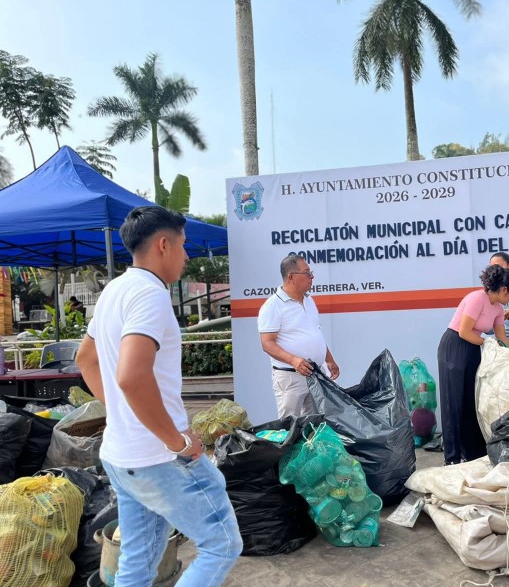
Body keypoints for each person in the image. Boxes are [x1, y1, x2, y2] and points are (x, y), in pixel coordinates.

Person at [76, 206, 242, 587]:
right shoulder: (150, 295)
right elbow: (132, 377)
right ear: (163, 245)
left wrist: (123, 414)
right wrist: (177, 441)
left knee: (137, 562)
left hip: (122, 455)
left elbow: (86, 359)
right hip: (159, 458)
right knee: (222, 545)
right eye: (183, 246)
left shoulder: (114, 291)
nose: (186, 257)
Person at [438, 265, 509, 465]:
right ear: (504, 289)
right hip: (454, 347)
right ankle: (452, 458)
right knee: (453, 404)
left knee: (471, 402)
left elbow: (502, 338)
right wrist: (487, 342)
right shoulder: (477, 298)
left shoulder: (498, 308)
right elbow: (464, 332)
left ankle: (473, 454)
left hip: (474, 349)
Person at [258, 254, 340, 419]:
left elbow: (315, 333)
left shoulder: (309, 301)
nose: (312, 277)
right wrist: (293, 360)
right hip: (291, 377)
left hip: (315, 374)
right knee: (290, 425)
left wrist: (329, 359)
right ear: (291, 277)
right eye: (307, 272)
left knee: (315, 423)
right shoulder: (273, 306)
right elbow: (267, 343)